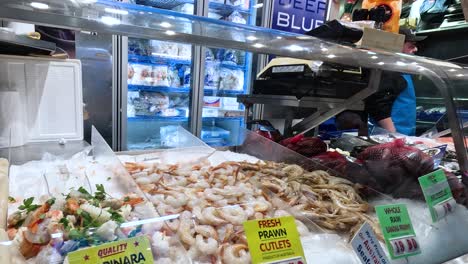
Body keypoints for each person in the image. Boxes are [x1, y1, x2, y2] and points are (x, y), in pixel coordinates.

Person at [335, 28, 426, 136]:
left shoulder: (402, 70)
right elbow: (379, 106)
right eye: (411, 45)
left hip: (405, 135)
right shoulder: (388, 71)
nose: (415, 49)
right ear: (398, 46)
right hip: (388, 136)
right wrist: (394, 136)